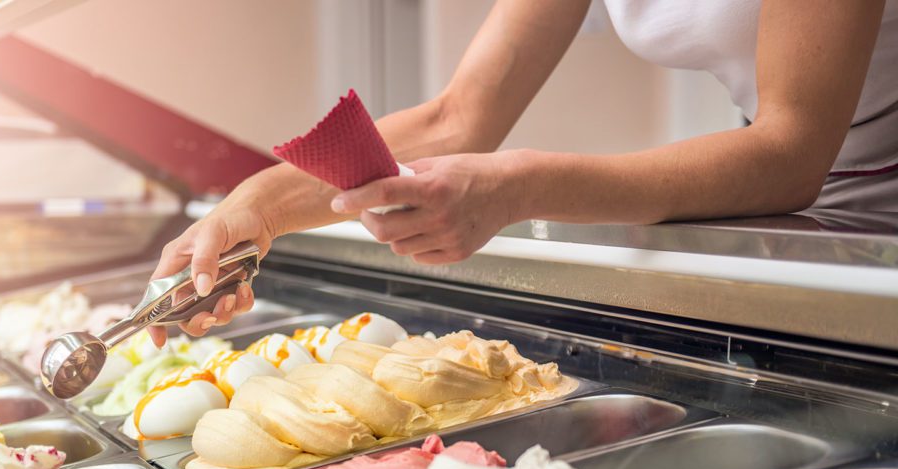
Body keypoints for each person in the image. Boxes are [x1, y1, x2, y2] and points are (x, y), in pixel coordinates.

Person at [148, 0, 896, 346]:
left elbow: (791, 151)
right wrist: (257, 205)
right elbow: (458, 117)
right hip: (794, 213)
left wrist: (517, 186)